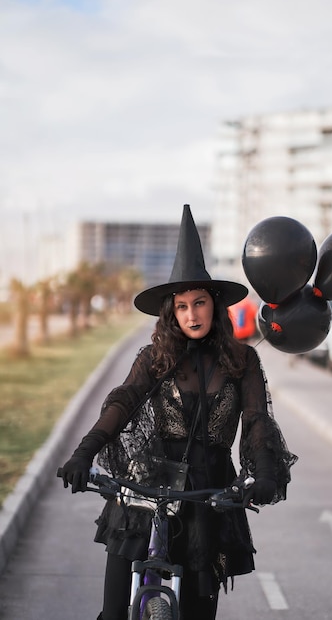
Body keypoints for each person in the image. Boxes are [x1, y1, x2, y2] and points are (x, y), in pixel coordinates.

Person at [60, 205, 297, 620]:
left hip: (209, 495)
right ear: (172, 311)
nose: (192, 314)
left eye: (200, 303)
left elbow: (257, 421)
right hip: (148, 486)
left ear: (214, 305)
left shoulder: (243, 361)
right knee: (114, 611)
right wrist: (84, 452)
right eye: (182, 306)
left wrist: (262, 471)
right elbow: (122, 402)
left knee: (196, 612)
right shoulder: (155, 356)